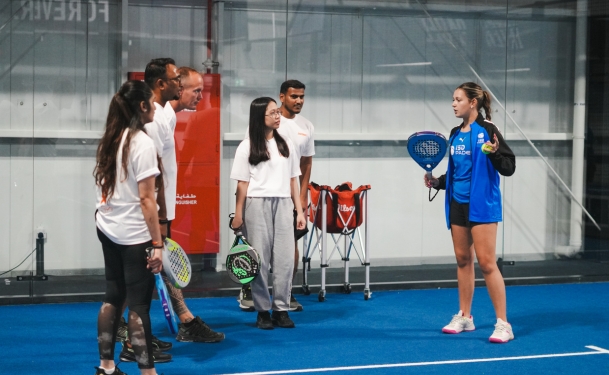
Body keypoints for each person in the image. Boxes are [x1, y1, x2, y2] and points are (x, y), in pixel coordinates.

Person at [117, 62, 224, 351]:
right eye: (192, 88)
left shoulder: (166, 115)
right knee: (142, 276)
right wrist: (160, 218)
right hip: (149, 213)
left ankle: (146, 325)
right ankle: (133, 334)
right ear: (165, 85)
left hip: (157, 211)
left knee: (154, 270)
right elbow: (150, 173)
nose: (198, 95)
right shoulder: (155, 118)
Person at [425, 82, 516, 343]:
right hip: (457, 203)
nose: (453, 104)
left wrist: (496, 153)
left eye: (458, 99)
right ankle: (465, 316)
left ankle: (503, 324)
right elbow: (457, 171)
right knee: (463, 260)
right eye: (452, 100)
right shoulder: (454, 133)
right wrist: (438, 183)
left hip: (482, 205)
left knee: (487, 263)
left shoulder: (488, 130)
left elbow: (509, 167)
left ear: (473, 103)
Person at [93, 80, 164, 375]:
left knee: (113, 297)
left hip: (107, 227)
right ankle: (149, 373)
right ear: (143, 106)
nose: (157, 108)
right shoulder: (143, 142)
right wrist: (158, 245)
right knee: (139, 306)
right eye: (153, 102)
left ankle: (106, 367)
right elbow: (147, 200)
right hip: (134, 235)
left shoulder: (111, 138)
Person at [238, 80, 315, 313]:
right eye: (294, 96)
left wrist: (301, 200)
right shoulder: (253, 137)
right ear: (282, 97)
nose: (299, 100)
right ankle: (253, 296)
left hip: (286, 199)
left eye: (302, 96)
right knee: (258, 254)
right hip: (258, 201)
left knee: (286, 253)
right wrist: (239, 211)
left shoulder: (304, 127)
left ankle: (284, 299)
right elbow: (244, 177)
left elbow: (303, 165)